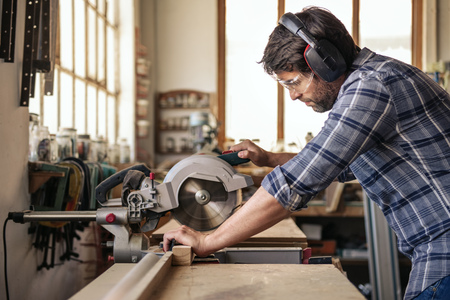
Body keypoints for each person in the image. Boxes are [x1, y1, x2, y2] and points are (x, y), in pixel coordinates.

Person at [163, 6, 450, 300]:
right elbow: (336, 167)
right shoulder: (378, 77)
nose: (293, 95)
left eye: (294, 82)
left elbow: (297, 182)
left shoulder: (371, 86)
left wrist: (207, 241)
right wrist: (271, 158)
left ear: (325, 62)